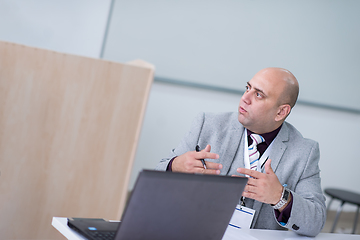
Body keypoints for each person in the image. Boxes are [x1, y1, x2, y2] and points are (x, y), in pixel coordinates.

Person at [155, 67, 326, 237]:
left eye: (258, 94)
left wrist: (280, 197)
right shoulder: (207, 125)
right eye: (247, 88)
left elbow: (316, 221)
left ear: (281, 112)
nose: (245, 98)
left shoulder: (305, 152)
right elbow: (155, 178)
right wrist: (175, 165)